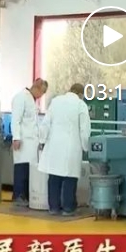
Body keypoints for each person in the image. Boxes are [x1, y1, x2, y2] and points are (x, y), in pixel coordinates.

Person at [38, 83, 91, 216]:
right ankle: (68, 208)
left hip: (54, 145)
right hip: (71, 146)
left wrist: (42, 140)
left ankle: (53, 207)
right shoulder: (80, 105)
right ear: (81, 94)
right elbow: (84, 130)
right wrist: (86, 147)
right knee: (69, 178)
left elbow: (45, 123)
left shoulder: (56, 101)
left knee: (54, 177)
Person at [10, 78, 48, 206]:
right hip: (23, 141)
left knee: (29, 171)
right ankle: (18, 196)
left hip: (32, 142)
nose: (41, 95)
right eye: (41, 92)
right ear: (36, 87)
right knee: (21, 169)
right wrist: (16, 138)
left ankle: (26, 196)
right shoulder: (21, 97)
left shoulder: (32, 100)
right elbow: (16, 119)